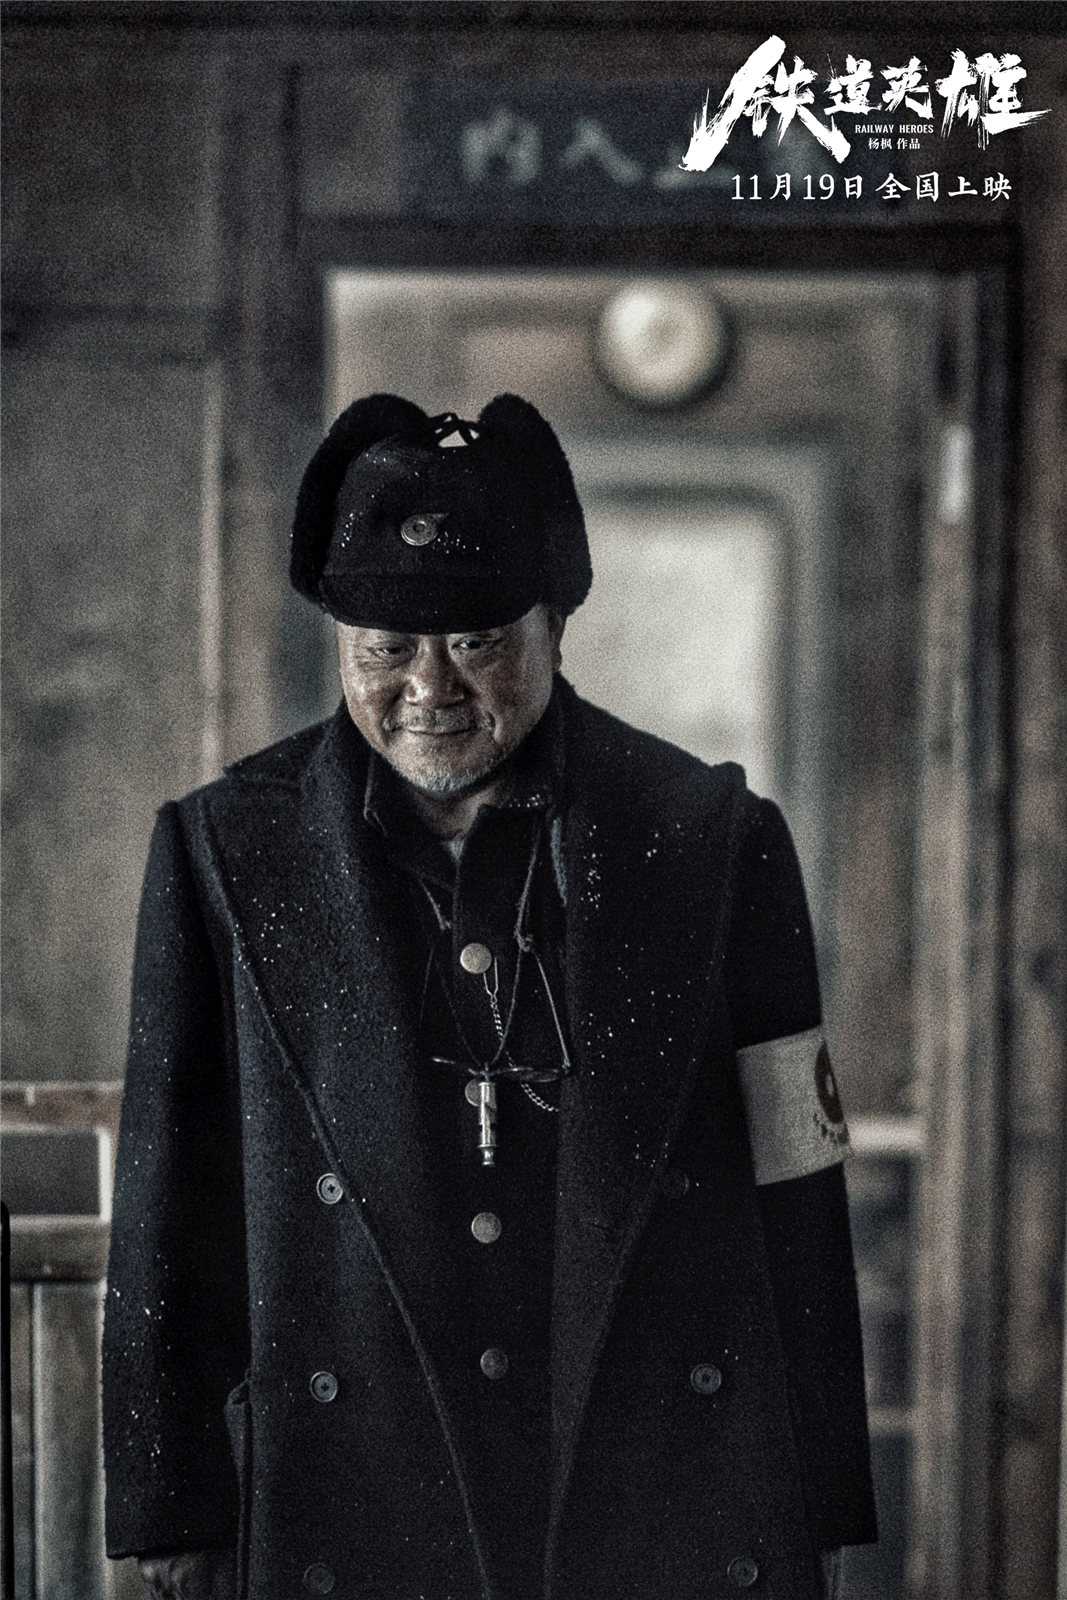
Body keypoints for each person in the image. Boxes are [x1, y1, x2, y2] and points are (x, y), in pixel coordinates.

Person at [103, 394, 877, 1600]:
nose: (430, 686)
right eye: (386, 646)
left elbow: (797, 1188)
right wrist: (171, 1511)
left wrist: (820, 1498)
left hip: (646, 1471)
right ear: (340, 638)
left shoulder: (717, 841)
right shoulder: (220, 852)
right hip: (351, 1480)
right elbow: (167, 1206)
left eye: (475, 641)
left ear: (553, 625)